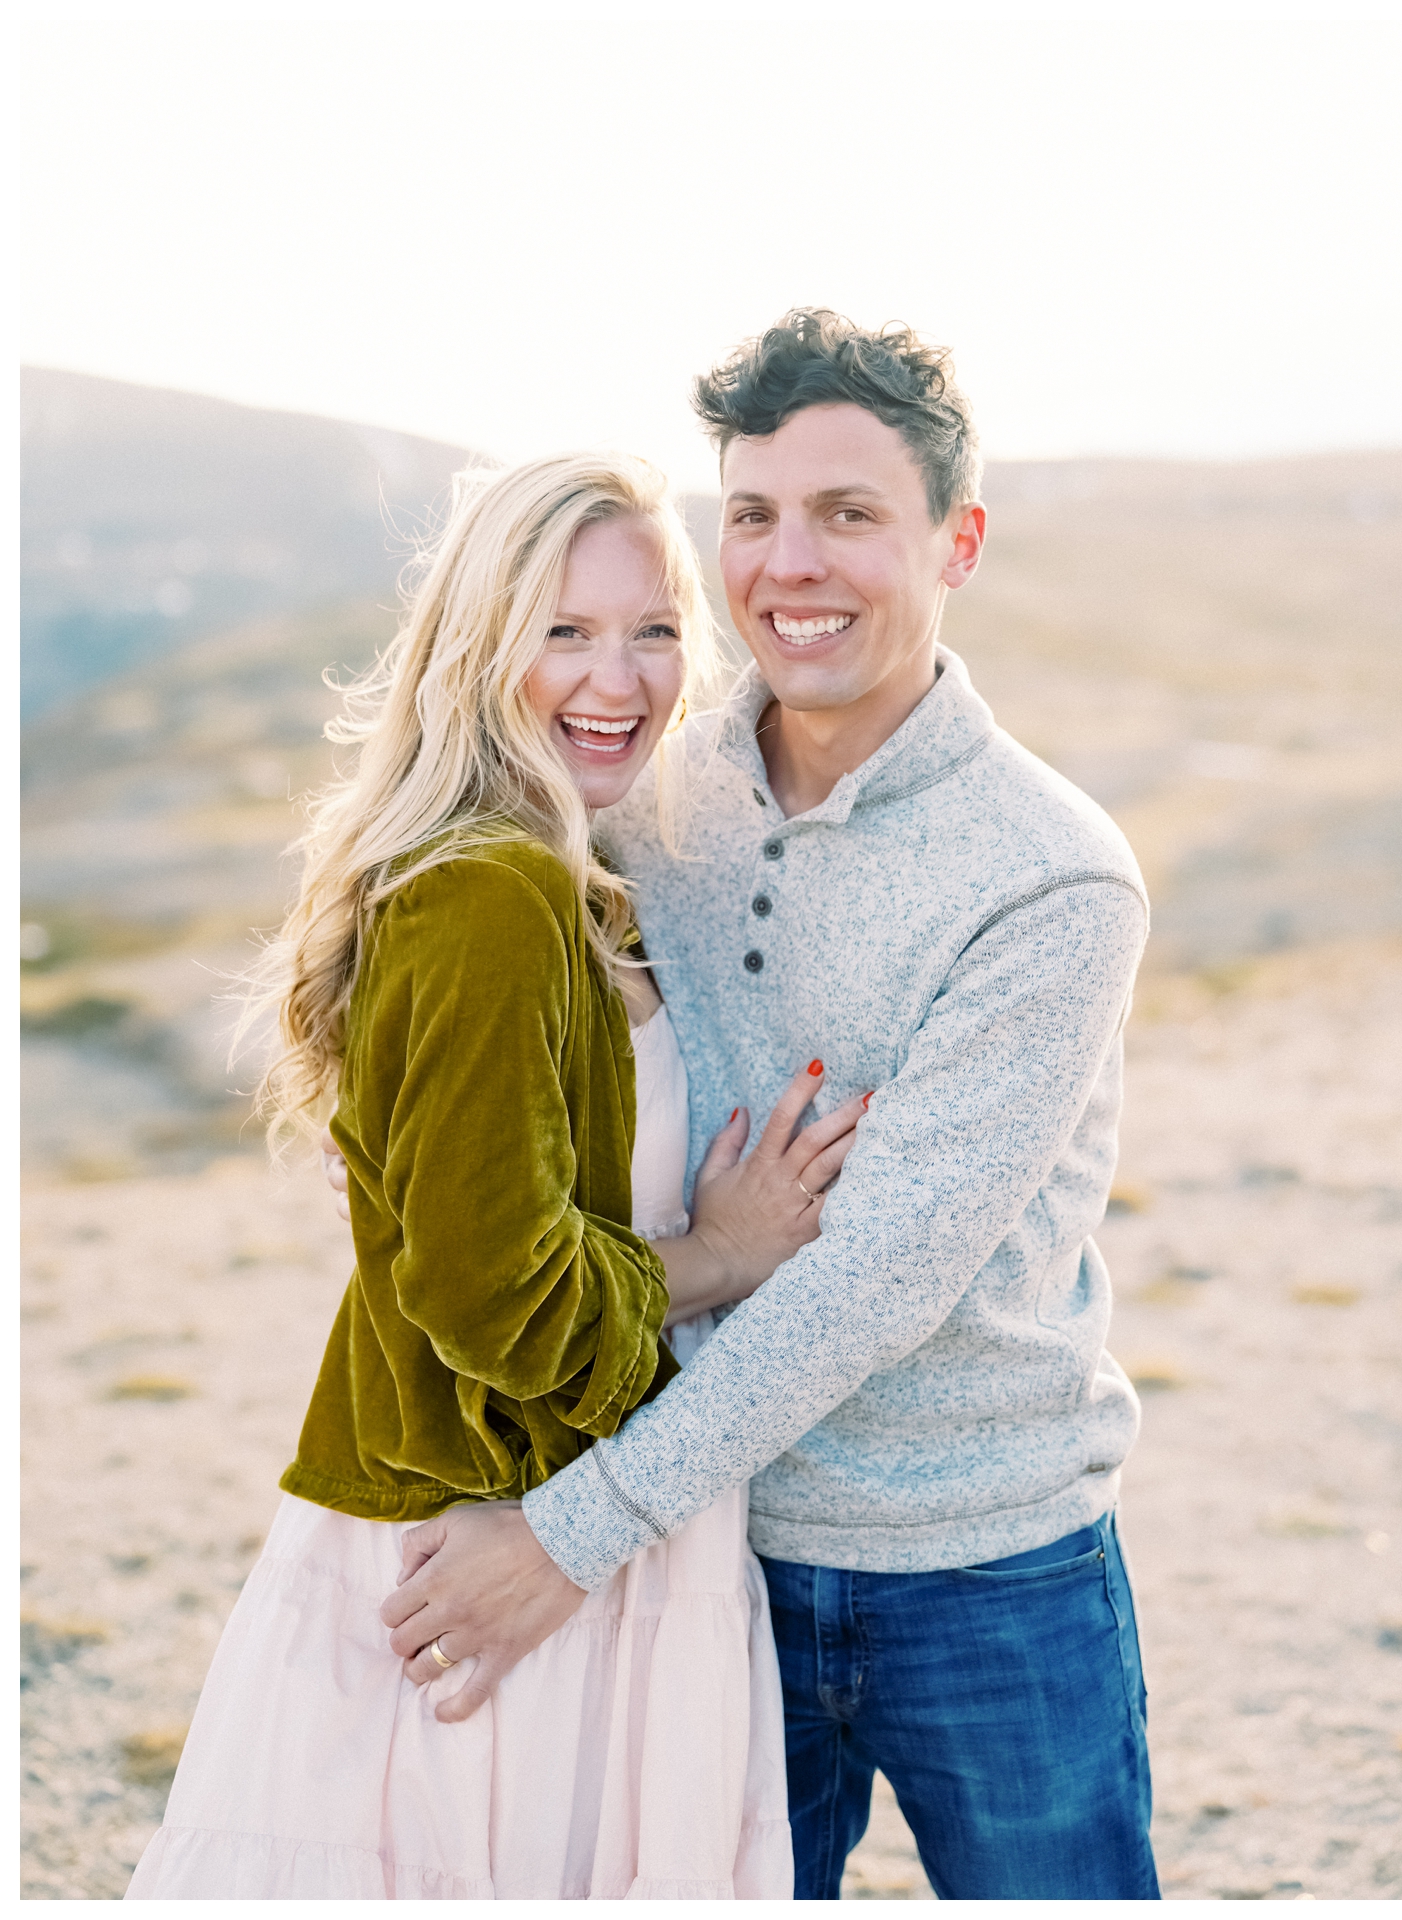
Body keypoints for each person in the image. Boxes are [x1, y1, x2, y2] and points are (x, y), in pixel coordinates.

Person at [379, 312, 1161, 1901]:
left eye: (849, 515)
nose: (788, 564)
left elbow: (874, 1281)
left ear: (959, 543)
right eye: (751, 514)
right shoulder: (650, 796)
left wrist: (562, 1537)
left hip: (983, 1565)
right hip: (704, 1546)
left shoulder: (1051, 875)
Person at [125, 449, 867, 1899]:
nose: (620, 677)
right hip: (491, 1537)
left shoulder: (584, 876)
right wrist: (721, 1252)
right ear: (480, 648)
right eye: (565, 630)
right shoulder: (491, 893)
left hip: (584, 1522)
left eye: (654, 631)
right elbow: (489, 1287)